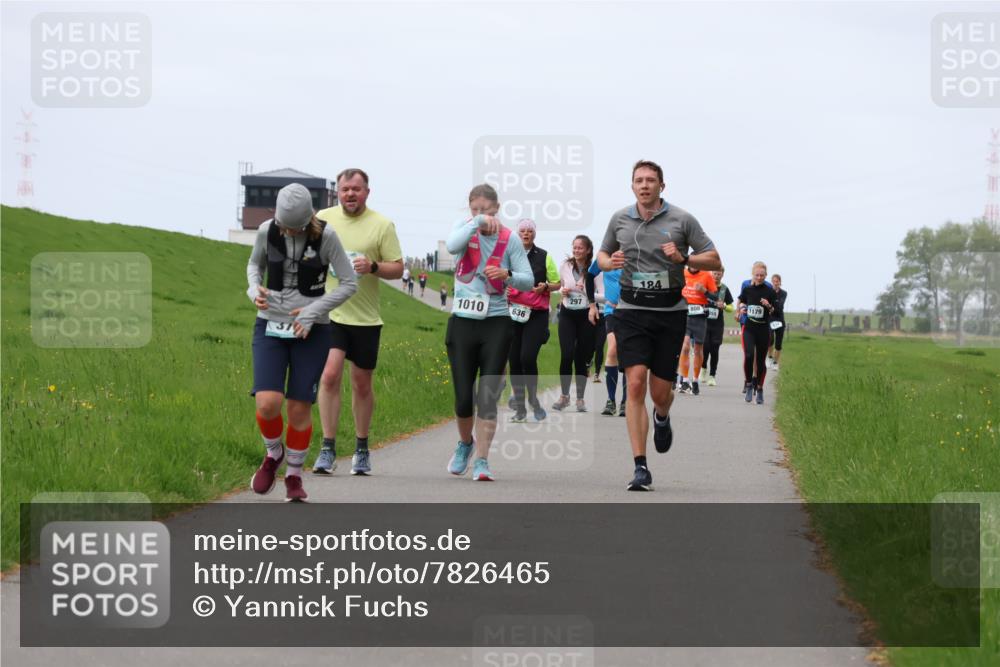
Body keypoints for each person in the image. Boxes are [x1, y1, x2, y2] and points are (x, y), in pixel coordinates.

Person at [597, 160, 720, 491]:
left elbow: (714, 259)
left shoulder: (682, 219)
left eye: (651, 180)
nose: (645, 185)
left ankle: (662, 417)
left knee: (660, 392)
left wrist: (684, 259)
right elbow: (603, 256)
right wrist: (611, 261)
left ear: (662, 186)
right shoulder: (620, 219)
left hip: (669, 313)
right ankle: (640, 466)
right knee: (635, 384)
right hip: (630, 310)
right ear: (632, 186)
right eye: (639, 180)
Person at [247, 183, 359, 502]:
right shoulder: (267, 231)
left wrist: (313, 311)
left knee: (298, 407)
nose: (289, 233)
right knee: (267, 403)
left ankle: (294, 475)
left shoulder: (326, 237)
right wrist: (254, 290)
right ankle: (273, 454)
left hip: (312, 331)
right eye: (285, 227)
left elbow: (349, 283)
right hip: (270, 325)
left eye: (295, 228)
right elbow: (255, 265)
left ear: (308, 219)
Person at [312, 169, 404, 476]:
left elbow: (398, 269)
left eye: (356, 189)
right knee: (329, 375)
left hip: (365, 318)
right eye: (345, 189)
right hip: (332, 314)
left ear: (367, 192)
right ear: (337, 192)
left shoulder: (382, 225)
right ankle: (327, 448)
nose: (350, 194)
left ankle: (362, 448)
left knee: (361, 384)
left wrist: (373, 266)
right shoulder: (322, 219)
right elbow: (306, 255)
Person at [445, 184, 533, 481]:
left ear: (497, 209)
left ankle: (482, 460)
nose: (481, 215)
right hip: (462, 321)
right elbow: (452, 245)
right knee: (462, 397)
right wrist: (475, 223)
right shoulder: (463, 228)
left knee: (488, 394)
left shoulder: (510, 240)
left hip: (496, 321)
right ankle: (464, 443)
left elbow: (527, 280)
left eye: (486, 210)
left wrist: (507, 275)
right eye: (475, 209)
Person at [506, 218, 560, 423]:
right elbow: (498, 277)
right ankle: (520, 409)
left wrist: (545, 287)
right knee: (515, 360)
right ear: (517, 234)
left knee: (527, 358)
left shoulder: (544, 256)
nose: (526, 234)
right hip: (513, 312)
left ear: (534, 234)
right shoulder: (509, 255)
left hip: (536, 314)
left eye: (529, 231)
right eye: (522, 231)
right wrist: (505, 286)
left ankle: (533, 399)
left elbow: (557, 283)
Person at [552, 236, 597, 413]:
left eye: (580, 248)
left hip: (586, 315)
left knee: (581, 357)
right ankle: (564, 396)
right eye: (574, 247)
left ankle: (580, 398)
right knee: (566, 354)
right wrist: (563, 290)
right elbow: (560, 286)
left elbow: (600, 294)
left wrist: (585, 293)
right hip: (567, 314)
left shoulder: (594, 269)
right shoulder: (565, 266)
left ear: (587, 250)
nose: (577, 250)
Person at [589, 261, 627, 416]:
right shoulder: (605, 255)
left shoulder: (637, 252)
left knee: (629, 354)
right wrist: (592, 305)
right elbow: (589, 275)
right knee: (612, 350)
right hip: (612, 311)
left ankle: (626, 401)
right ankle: (611, 401)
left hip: (635, 313)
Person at [736, 261, 777, 405]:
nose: (759, 277)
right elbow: (741, 301)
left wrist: (768, 305)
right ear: (753, 275)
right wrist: (740, 309)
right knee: (748, 355)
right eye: (757, 275)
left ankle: (759, 389)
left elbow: (774, 311)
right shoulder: (748, 289)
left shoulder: (770, 291)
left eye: (762, 275)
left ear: (766, 275)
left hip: (763, 329)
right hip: (749, 328)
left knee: (760, 361)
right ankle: (748, 384)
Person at [675, 266, 717, 396]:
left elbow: (715, 297)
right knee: (685, 346)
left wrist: (704, 291)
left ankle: (695, 380)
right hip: (684, 315)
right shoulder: (682, 273)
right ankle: (685, 380)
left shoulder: (707, 275)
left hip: (700, 317)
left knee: (698, 349)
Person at [700, 268, 733, 386]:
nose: (716, 276)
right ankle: (703, 368)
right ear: (711, 274)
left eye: (719, 274)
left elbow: (731, 308)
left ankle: (712, 375)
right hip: (704, 322)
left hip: (717, 325)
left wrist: (723, 306)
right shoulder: (705, 286)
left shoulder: (724, 289)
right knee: (705, 347)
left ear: (722, 275)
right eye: (715, 273)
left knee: (714, 348)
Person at [767, 274, 788, 370]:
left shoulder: (783, 293)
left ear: (780, 282)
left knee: (778, 343)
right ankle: (769, 357)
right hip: (770, 319)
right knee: (770, 339)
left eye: (777, 281)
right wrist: (770, 307)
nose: (776, 283)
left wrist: (771, 307)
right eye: (774, 281)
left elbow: (780, 306)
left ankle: (775, 362)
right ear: (772, 282)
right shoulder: (768, 292)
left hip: (779, 319)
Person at [590, 270, 607, 383]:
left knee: (599, 346)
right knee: (591, 346)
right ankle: (587, 363)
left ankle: (596, 373)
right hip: (592, 316)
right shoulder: (592, 275)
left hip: (605, 316)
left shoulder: (613, 276)